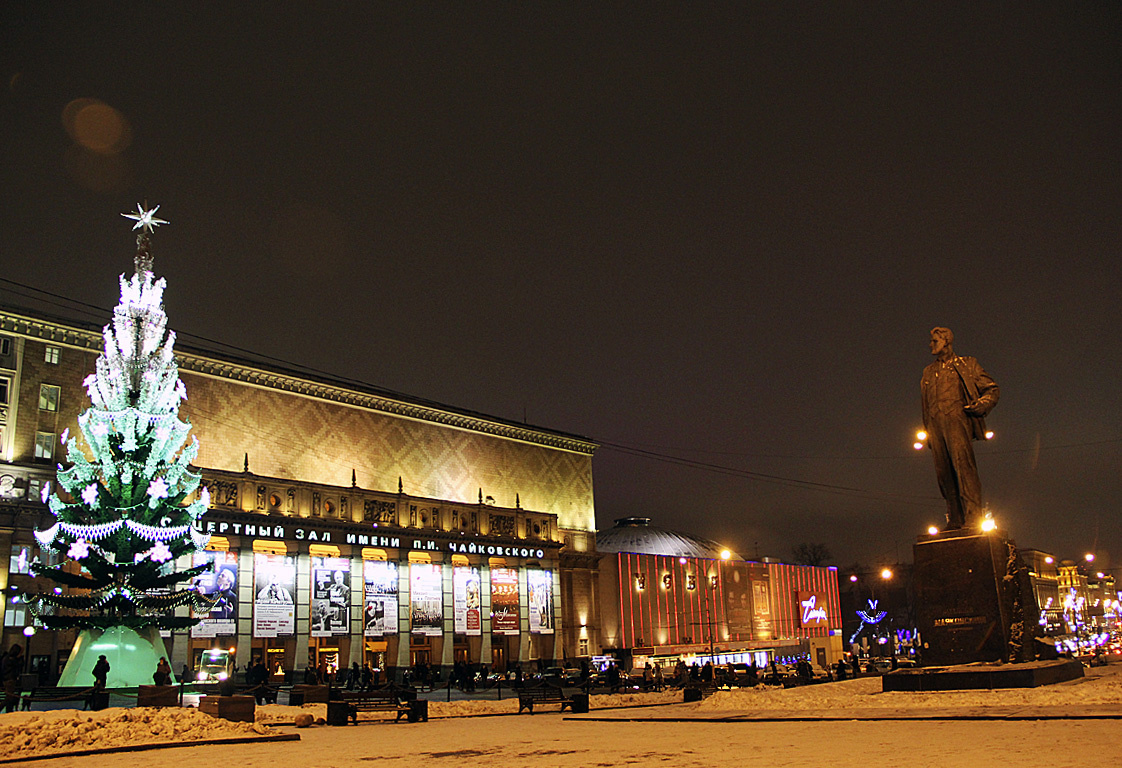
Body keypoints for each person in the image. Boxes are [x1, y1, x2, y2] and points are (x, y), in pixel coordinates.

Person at [920, 327, 1000, 529]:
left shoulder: (967, 364)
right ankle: (954, 518)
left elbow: (992, 388)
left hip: (957, 420)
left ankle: (973, 516)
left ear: (946, 341)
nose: (931, 344)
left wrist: (982, 405)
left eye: (935, 340)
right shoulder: (928, 372)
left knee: (963, 468)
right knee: (944, 473)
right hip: (935, 424)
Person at [2, 644, 23, 713]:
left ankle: (9, 710)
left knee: (9, 696)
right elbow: (16, 668)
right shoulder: (12, 660)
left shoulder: (6, 658)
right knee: (9, 697)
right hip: (10, 679)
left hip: (7, 679)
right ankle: (7, 709)